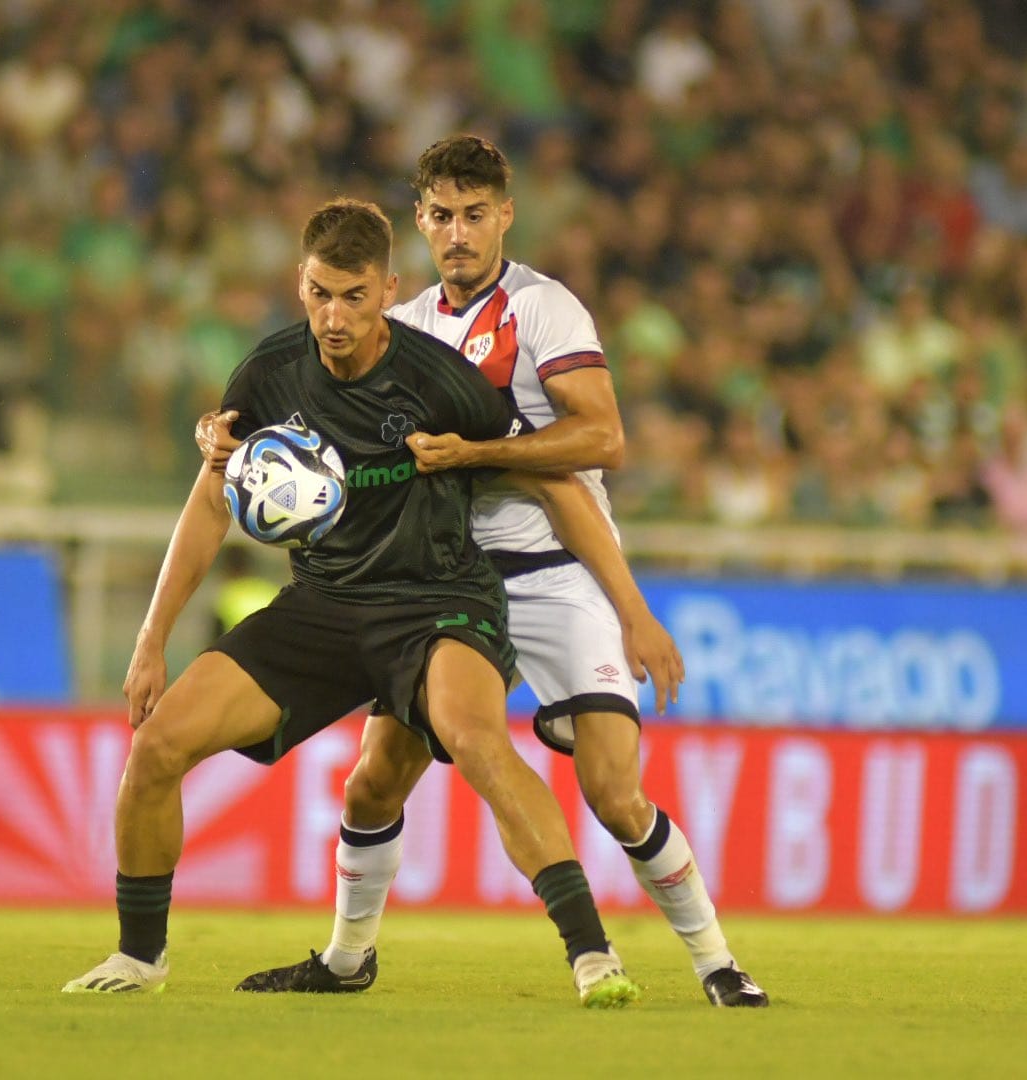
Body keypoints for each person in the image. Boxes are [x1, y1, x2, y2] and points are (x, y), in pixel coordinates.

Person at [62, 197, 641, 1008]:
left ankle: (592, 954)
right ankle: (138, 957)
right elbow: (208, 498)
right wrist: (152, 637)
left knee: (474, 738)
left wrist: (631, 608)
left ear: (388, 290)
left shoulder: (443, 383)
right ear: (299, 284)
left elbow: (553, 479)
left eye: (354, 297)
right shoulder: (269, 375)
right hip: (326, 601)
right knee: (157, 748)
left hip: (438, 600)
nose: (334, 318)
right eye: (318, 294)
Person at [236, 136, 769, 1007]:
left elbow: (599, 442)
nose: (457, 233)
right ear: (419, 221)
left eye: (475, 215)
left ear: (505, 216)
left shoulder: (545, 311)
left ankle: (717, 962)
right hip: (444, 582)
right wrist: (225, 439)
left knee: (614, 790)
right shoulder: (397, 329)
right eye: (441, 215)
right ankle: (344, 958)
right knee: (374, 778)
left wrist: (631, 609)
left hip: (559, 571)